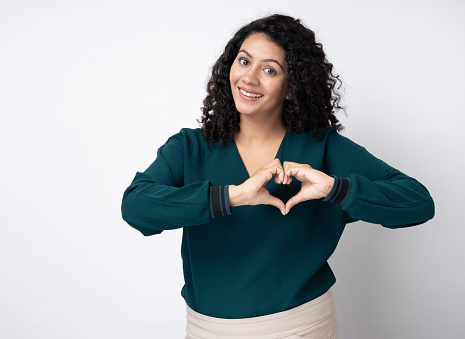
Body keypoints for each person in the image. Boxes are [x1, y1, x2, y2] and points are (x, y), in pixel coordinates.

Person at [121, 14, 435, 339]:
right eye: (244, 61)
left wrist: (335, 189)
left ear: (290, 88)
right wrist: (234, 196)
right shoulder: (190, 147)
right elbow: (136, 207)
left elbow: (418, 202)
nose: (250, 78)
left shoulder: (322, 148)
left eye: (269, 69)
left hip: (301, 327)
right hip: (207, 330)